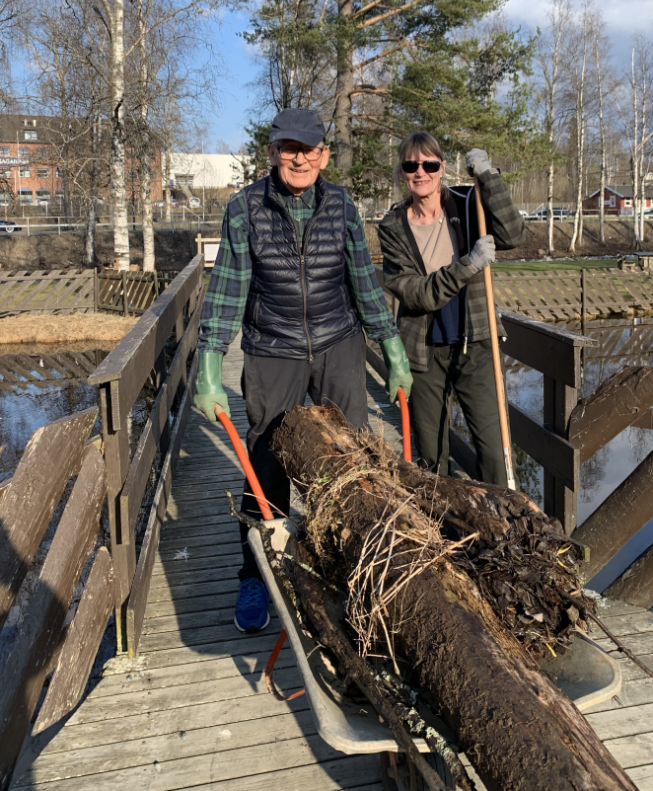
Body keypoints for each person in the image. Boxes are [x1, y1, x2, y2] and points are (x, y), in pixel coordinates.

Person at [192, 108, 412, 633]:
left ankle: (354, 566)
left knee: (350, 455)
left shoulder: (341, 205)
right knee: (266, 456)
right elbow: (227, 291)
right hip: (273, 348)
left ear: (324, 156)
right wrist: (208, 362)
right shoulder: (245, 209)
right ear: (272, 152)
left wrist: (392, 347)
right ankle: (257, 573)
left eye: (310, 149)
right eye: (289, 148)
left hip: (338, 344)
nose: (299, 158)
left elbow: (362, 280)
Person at [377, 132, 525, 486]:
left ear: (442, 167)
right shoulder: (393, 226)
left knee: (493, 448)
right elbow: (416, 294)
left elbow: (513, 233)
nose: (421, 172)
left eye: (429, 164)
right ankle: (439, 528)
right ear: (402, 171)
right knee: (432, 454)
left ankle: (502, 524)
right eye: (411, 165)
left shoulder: (467, 202)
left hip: (475, 342)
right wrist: (467, 265)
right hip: (423, 350)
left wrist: (488, 176)